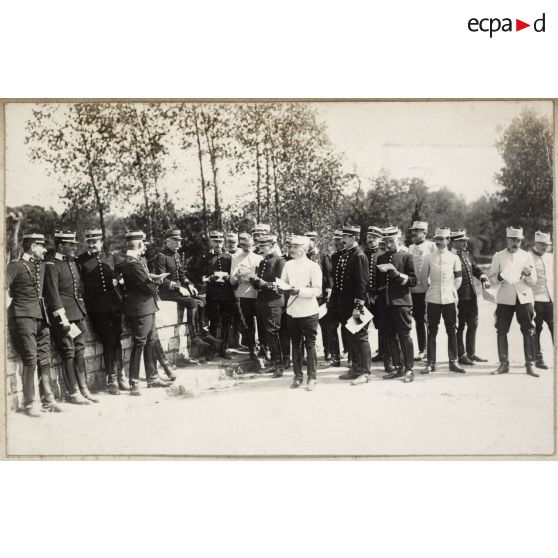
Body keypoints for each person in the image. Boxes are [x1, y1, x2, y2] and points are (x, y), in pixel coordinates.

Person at [7, 232, 61, 416]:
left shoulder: (42, 266)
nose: (45, 250)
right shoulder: (15, 266)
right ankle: (30, 403)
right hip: (22, 317)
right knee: (30, 358)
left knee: (44, 357)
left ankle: (48, 398)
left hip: (41, 317)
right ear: (33, 247)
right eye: (42, 246)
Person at [44, 230, 99, 403]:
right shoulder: (52, 265)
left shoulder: (73, 263)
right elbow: (53, 295)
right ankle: (73, 392)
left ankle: (84, 389)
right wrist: (63, 320)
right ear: (61, 246)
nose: (74, 247)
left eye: (75, 244)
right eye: (70, 245)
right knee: (68, 352)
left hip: (77, 314)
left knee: (79, 352)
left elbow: (78, 289)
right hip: (64, 318)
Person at [119, 230, 172, 395]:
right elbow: (148, 286)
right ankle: (134, 382)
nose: (145, 248)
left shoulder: (137, 260)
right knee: (140, 343)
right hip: (140, 309)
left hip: (147, 307)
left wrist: (153, 279)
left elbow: (147, 279)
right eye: (144, 244)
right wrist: (158, 281)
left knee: (151, 341)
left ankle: (152, 378)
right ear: (140, 244)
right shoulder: (131, 263)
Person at [77, 229, 127, 395]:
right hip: (97, 308)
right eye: (89, 242)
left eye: (95, 242)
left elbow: (125, 270)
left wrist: (117, 279)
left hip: (114, 306)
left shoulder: (111, 257)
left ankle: (121, 376)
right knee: (109, 339)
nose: (92, 245)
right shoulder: (81, 261)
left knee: (117, 338)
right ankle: (111, 378)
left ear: (101, 242)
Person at [366, 226, 417, 384]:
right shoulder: (381, 258)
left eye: (391, 240)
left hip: (401, 302)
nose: (388, 244)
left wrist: (398, 275)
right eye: (386, 241)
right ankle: (398, 366)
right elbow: (379, 282)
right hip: (385, 303)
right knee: (389, 336)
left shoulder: (406, 256)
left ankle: (409, 369)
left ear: (398, 238)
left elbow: (414, 281)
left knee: (404, 335)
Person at [488, 227, 538, 377]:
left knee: (529, 329)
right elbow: (491, 280)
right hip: (505, 299)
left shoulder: (527, 256)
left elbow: (534, 281)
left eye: (518, 240)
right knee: (501, 330)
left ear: (521, 241)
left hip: (524, 297)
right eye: (512, 240)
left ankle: (530, 364)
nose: (515, 243)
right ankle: (504, 364)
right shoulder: (498, 256)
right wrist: (501, 277)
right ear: (507, 240)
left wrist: (528, 274)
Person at [153, 228, 205, 362]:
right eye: (176, 242)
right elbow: (162, 280)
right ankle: (194, 337)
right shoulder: (161, 256)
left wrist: (189, 284)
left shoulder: (176, 255)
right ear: (167, 241)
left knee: (201, 301)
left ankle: (202, 332)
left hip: (178, 291)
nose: (179, 245)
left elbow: (181, 274)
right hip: (167, 292)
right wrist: (178, 287)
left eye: (179, 242)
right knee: (192, 303)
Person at [419, 227, 465, 374]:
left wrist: (451, 291)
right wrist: (430, 290)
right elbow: (423, 278)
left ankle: (453, 361)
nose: (438, 242)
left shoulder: (454, 258)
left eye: (442, 239)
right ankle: (430, 363)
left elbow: (458, 279)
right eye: (437, 239)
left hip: (449, 299)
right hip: (433, 298)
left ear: (448, 240)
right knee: (432, 331)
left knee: (452, 330)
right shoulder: (428, 257)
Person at [328, 225, 371, 381]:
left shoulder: (359, 256)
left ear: (354, 238)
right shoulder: (344, 255)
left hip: (356, 306)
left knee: (361, 337)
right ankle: (356, 368)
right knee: (351, 336)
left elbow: (362, 285)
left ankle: (365, 372)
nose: (342, 240)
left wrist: (358, 308)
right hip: (345, 305)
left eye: (345, 237)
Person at [281, 235, 323, 390]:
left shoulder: (313, 266)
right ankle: (297, 376)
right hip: (292, 311)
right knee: (296, 344)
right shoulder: (288, 265)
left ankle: (312, 377)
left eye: (296, 247)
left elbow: (318, 291)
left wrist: (299, 290)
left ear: (305, 249)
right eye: (291, 246)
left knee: (310, 344)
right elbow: (283, 282)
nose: (292, 249)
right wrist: (281, 288)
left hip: (309, 311)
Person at [448, 230, 490, 366]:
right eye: (462, 241)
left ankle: (471, 353)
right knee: (460, 327)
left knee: (473, 324)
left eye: (465, 240)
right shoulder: (449, 257)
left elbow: (475, 269)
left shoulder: (466, 254)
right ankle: (461, 355)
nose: (465, 243)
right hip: (458, 298)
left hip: (471, 296)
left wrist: (483, 277)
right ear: (454, 242)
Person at [251, 234, 286, 376]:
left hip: (274, 302)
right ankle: (272, 362)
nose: (261, 248)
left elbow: (281, 285)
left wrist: (262, 283)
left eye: (264, 246)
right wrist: (253, 279)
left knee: (273, 333)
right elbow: (258, 284)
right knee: (266, 334)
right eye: (259, 246)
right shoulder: (262, 262)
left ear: (272, 246)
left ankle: (278, 365)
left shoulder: (279, 261)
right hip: (262, 302)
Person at [365, 225, 395, 371]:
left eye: (374, 238)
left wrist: (378, 294)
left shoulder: (383, 256)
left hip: (380, 298)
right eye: (369, 237)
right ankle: (357, 359)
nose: (371, 240)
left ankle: (384, 355)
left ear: (380, 239)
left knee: (383, 327)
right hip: (364, 298)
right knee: (358, 326)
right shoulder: (362, 255)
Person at [229, 232, 263, 360]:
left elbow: (262, 278)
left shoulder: (258, 258)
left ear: (253, 244)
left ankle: (264, 348)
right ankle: (252, 349)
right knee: (248, 323)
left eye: (249, 245)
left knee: (262, 322)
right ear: (240, 245)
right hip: (244, 293)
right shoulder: (236, 259)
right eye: (243, 245)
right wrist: (238, 274)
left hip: (258, 294)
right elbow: (232, 281)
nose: (247, 247)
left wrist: (251, 276)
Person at [202, 231, 235, 359]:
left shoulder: (229, 257)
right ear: (211, 242)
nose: (218, 244)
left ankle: (223, 349)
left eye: (220, 241)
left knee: (226, 322)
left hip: (227, 294)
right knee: (214, 321)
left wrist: (229, 277)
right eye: (215, 241)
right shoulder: (205, 258)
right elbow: (200, 277)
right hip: (213, 294)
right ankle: (212, 348)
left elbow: (234, 274)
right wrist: (210, 278)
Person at [407, 221, 436, 361]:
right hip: (414, 290)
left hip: (428, 289)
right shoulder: (410, 248)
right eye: (413, 231)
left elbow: (436, 265)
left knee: (429, 320)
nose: (414, 233)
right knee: (418, 320)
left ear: (424, 232)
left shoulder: (431, 246)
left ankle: (431, 350)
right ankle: (422, 349)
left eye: (417, 231)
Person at [305, 231, 333, 361]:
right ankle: (310, 353)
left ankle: (328, 350)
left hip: (320, 297)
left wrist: (328, 293)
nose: (307, 243)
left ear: (314, 241)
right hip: (307, 297)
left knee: (325, 325)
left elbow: (328, 276)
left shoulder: (322, 257)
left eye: (309, 240)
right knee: (308, 326)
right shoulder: (303, 258)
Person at [531, 231, 553, 369]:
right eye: (542, 244)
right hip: (535, 300)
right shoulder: (528, 258)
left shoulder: (551, 257)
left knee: (554, 327)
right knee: (536, 329)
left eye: (547, 245)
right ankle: (538, 358)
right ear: (536, 243)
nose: (544, 247)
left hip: (550, 299)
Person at [328, 229, 348, 366]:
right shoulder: (334, 257)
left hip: (348, 298)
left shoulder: (352, 255)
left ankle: (351, 355)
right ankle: (335, 356)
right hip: (335, 297)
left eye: (339, 240)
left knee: (350, 328)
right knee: (331, 326)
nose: (336, 243)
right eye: (335, 240)